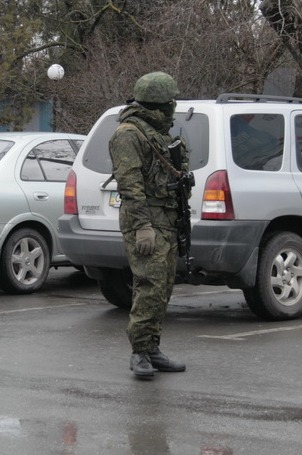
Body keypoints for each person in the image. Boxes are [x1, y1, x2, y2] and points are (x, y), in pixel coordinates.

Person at [109, 71, 188, 379]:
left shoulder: (161, 132)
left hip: (167, 219)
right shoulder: (129, 134)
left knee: (164, 285)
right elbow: (130, 185)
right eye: (170, 101)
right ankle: (140, 351)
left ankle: (152, 348)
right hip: (146, 220)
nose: (173, 106)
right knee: (149, 284)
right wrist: (143, 226)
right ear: (157, 102)